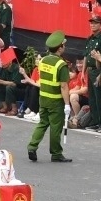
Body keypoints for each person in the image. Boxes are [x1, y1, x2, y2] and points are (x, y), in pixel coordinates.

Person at [27, 31, 72, 162]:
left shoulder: (43, 60)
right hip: (55, 100)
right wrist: (67, 104)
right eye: (63, 45)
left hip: (43, 98)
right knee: (55, 127)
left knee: (42, 123)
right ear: (60, 48)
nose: (64, 47)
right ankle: (56, 153)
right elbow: (64, 86)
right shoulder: (61, 64)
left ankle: (32, 146)